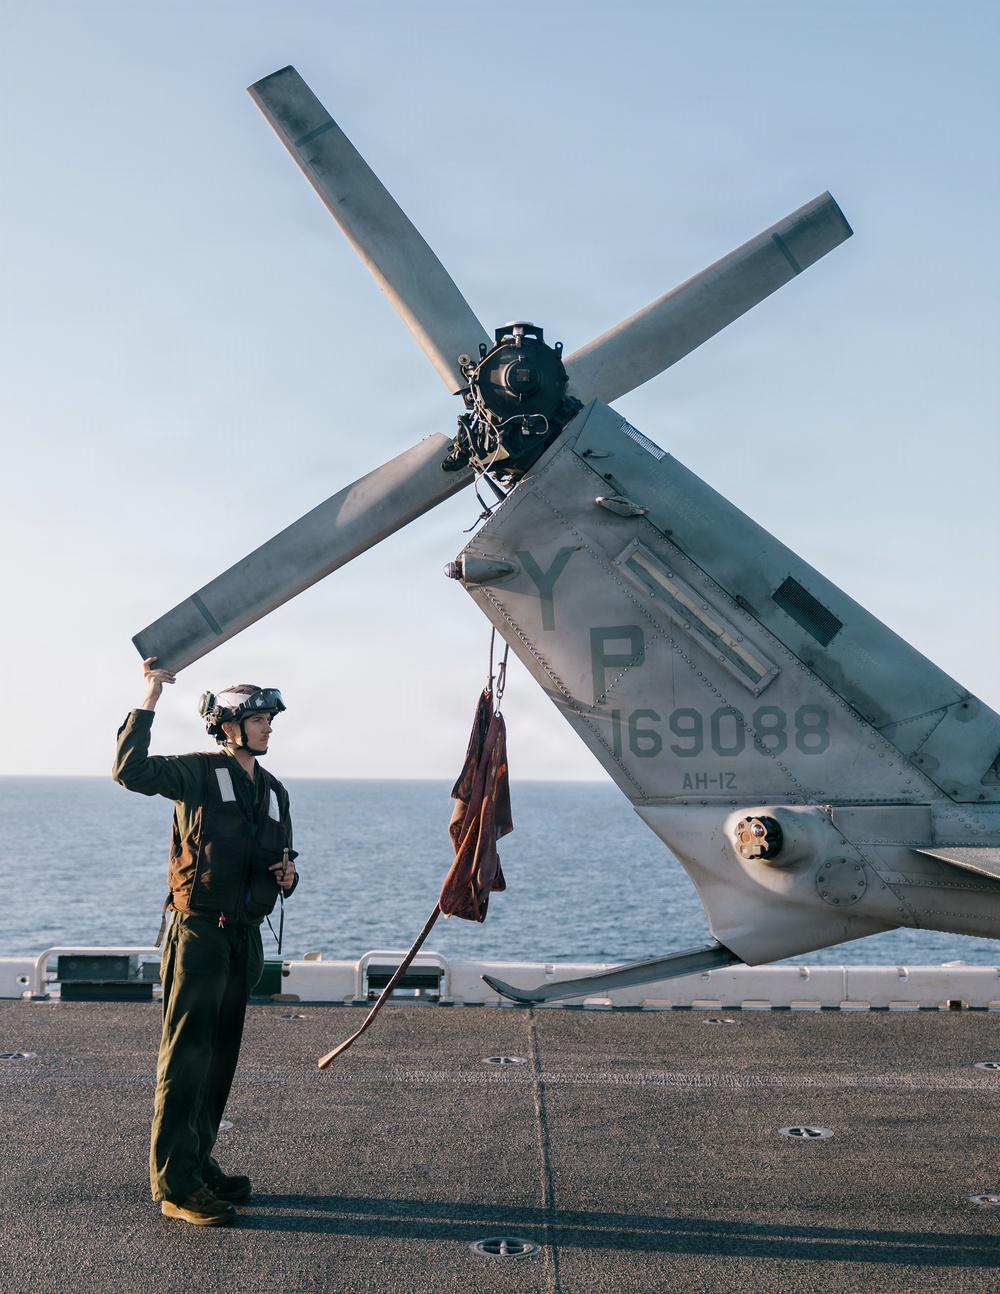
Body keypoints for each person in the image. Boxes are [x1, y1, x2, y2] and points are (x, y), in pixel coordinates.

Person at [113, 656, 299, 1226]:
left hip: (242, 941)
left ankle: (198, 1160)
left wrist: (288, 878)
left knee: (219, 1059)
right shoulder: (196, 772)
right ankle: (175, 1185)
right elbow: (129, 771)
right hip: (198, 936)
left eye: (270, 718)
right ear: (229, 725)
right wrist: (149, 697)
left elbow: (282, 860)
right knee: (186, 1057)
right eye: (260, 718)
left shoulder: (272, 791)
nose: (270, 727)